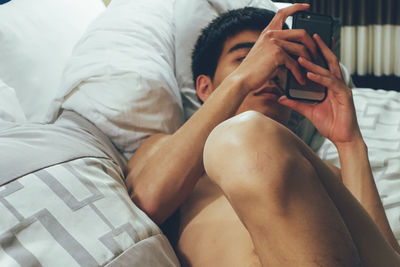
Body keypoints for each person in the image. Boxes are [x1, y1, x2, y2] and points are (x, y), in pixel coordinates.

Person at [126, 4, 400, 267]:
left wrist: (349, 143)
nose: (270, 71)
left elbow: (384, 257)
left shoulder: (324, 174)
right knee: (244, 133)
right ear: (205, 87)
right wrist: (243, 79)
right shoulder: (161, 149)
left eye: (281, 65)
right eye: (246, 58)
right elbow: (149, 202)